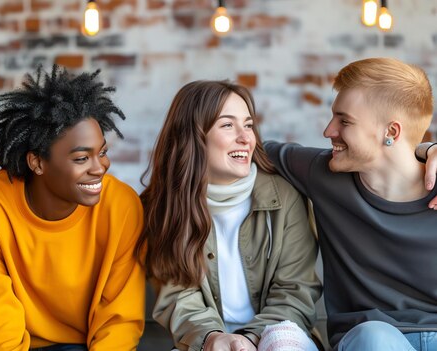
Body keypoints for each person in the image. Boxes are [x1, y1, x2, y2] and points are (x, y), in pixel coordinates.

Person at [0, 65, 145, 351]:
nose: (100, 168)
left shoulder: (121, 205)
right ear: (37, 163)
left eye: (102, 152)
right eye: (82, 158)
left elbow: (120, 320)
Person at [263, 57, 437, 350]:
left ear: (391, 132)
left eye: (344, 121)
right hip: (371, 341)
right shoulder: (323, 174)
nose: (328, 131)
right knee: (375, 338)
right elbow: (253, 149)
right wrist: (428, 147)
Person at [136, 80, 322, 351]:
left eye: (248, 125)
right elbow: (177, 296)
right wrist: (212, 337)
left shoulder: (284, 197)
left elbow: (296, 291)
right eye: (227, 125)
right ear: (194, 136)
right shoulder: (164, 205)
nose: (247, 138)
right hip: (206, 340)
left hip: (278, 332)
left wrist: (251, 338)